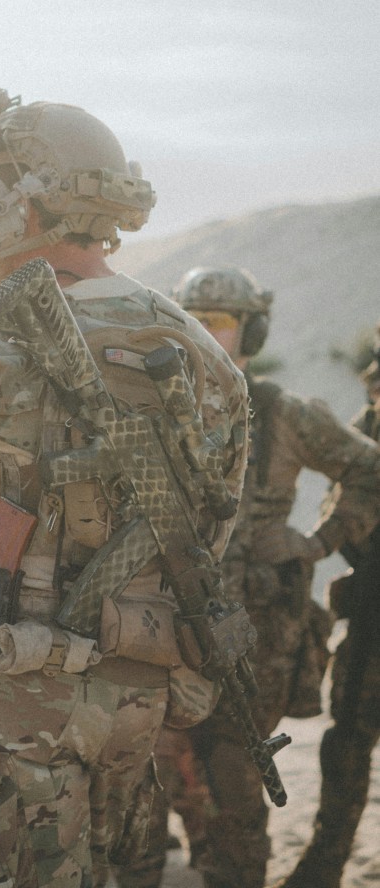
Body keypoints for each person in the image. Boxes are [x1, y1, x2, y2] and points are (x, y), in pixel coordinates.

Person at [0, 93, 251, 888]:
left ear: (9, 208)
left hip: (3, 705)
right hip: (134, 704)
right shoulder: (203, 355)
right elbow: (212, 528)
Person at [145, 268, 380, 888]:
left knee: (235, 783)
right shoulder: (145, 409)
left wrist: (318, 539)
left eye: (223, 321)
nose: (208, 334)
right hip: (155, 626)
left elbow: (367, 470)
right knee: (147, 780)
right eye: (196, 319)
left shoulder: (280, 412)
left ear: (251, 329)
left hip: (255, 637)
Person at [272, 325, 380, 888]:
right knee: (349, 739)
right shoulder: (366, 434)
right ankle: (327, 858)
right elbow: (349, 515)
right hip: (374, 617)